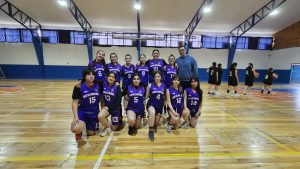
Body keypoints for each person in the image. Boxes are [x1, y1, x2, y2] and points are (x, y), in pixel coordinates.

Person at [71, 69, 100, 140]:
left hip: (94, 112)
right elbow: (75, 102)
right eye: (89, 74)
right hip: (83, 112)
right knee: (75, 128)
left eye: (93, 74)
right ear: (84, 76)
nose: (91, 76)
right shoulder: (78, 86)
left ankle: (85, 126)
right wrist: (75, 116)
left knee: (91, 133)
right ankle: (79, 130)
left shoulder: (98, 84)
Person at [98, 72, 124, 137]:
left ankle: (118, 121)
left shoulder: (117, 86)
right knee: (100, 116)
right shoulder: (103, 84)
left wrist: (109, 107)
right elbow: (93, 80)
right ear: (107, 77)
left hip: (115, 108)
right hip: (107, 107)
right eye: (110, 76)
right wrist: (81, 81)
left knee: (114, 128)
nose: (111, 78)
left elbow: (119, 101)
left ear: (115, 79)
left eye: (113, 77)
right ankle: (108, 127)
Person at [145, 71, 166, 141]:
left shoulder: (164, 85)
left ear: (161, 77)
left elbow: (165, 97)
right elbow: (146, 96)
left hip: (159, 107)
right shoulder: (150, 85)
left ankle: (152, 120)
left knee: (156, 125)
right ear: (154, 78)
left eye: (158, 76)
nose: (157, 78)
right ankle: (150, 131)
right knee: (152, 112)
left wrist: (165, 107)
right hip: (151, 104)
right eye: (156, 77)